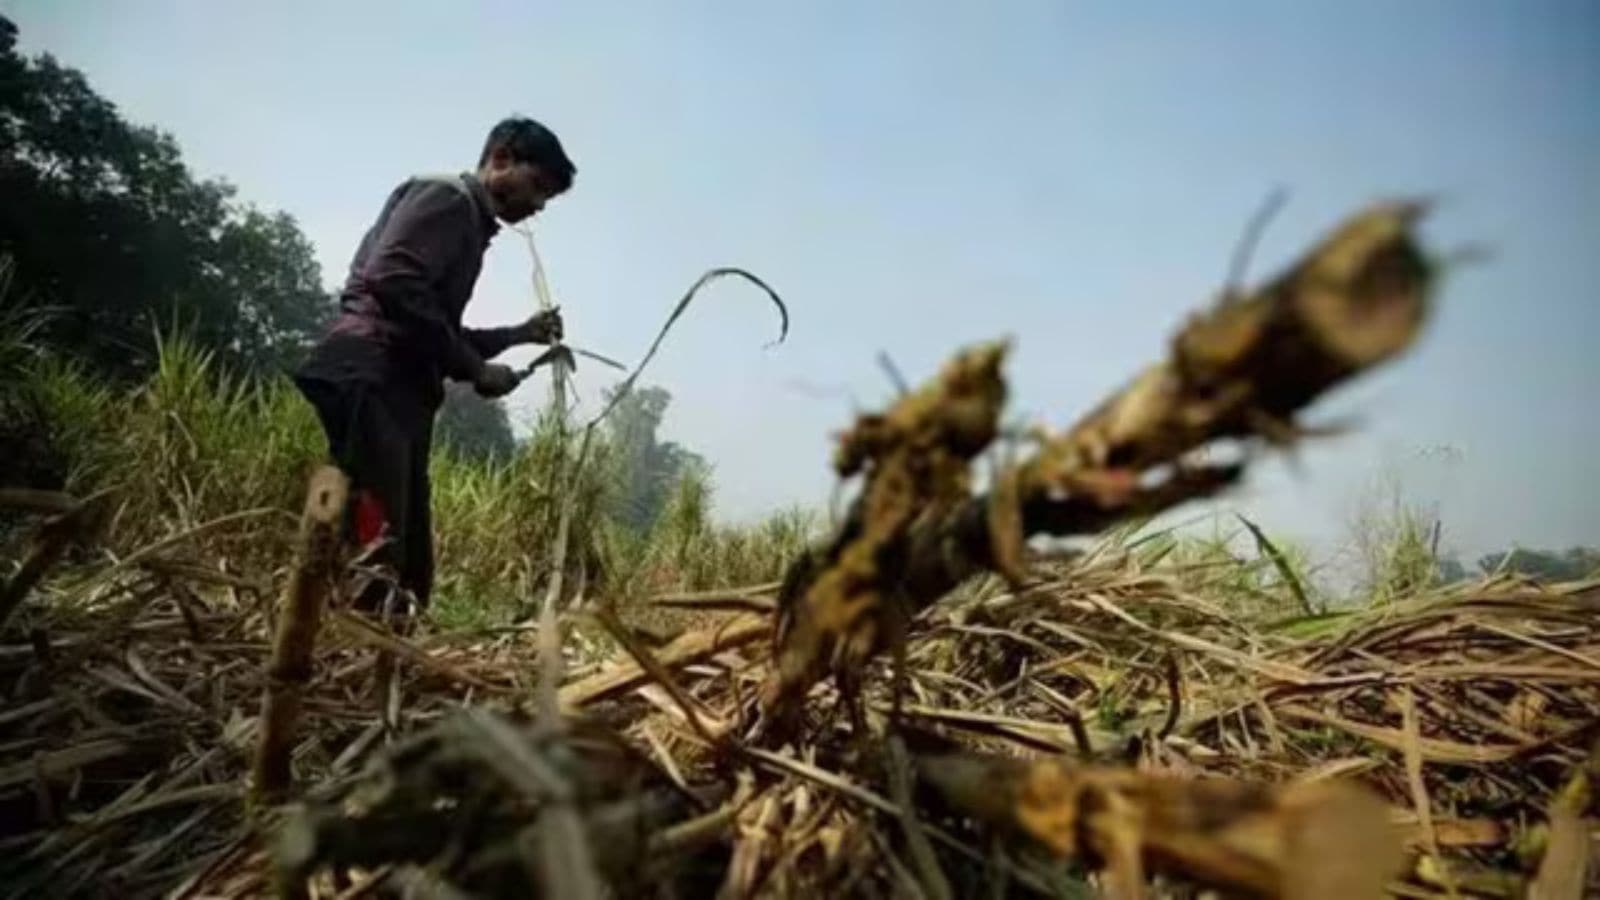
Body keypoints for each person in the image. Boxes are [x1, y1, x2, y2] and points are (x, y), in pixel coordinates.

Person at [292, 117, 574, 614]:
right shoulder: (448, 199)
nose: (538, 206)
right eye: (537, 187)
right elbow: (393, 282)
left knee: (408, 561)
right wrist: (474, 369)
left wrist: (519, 336)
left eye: (547, 198)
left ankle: (380, 664)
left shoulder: (466, 218)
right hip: (373, 374)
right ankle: (353, 663)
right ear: (501, 159)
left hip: (395, 386)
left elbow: (433, 325)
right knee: (380, 549)